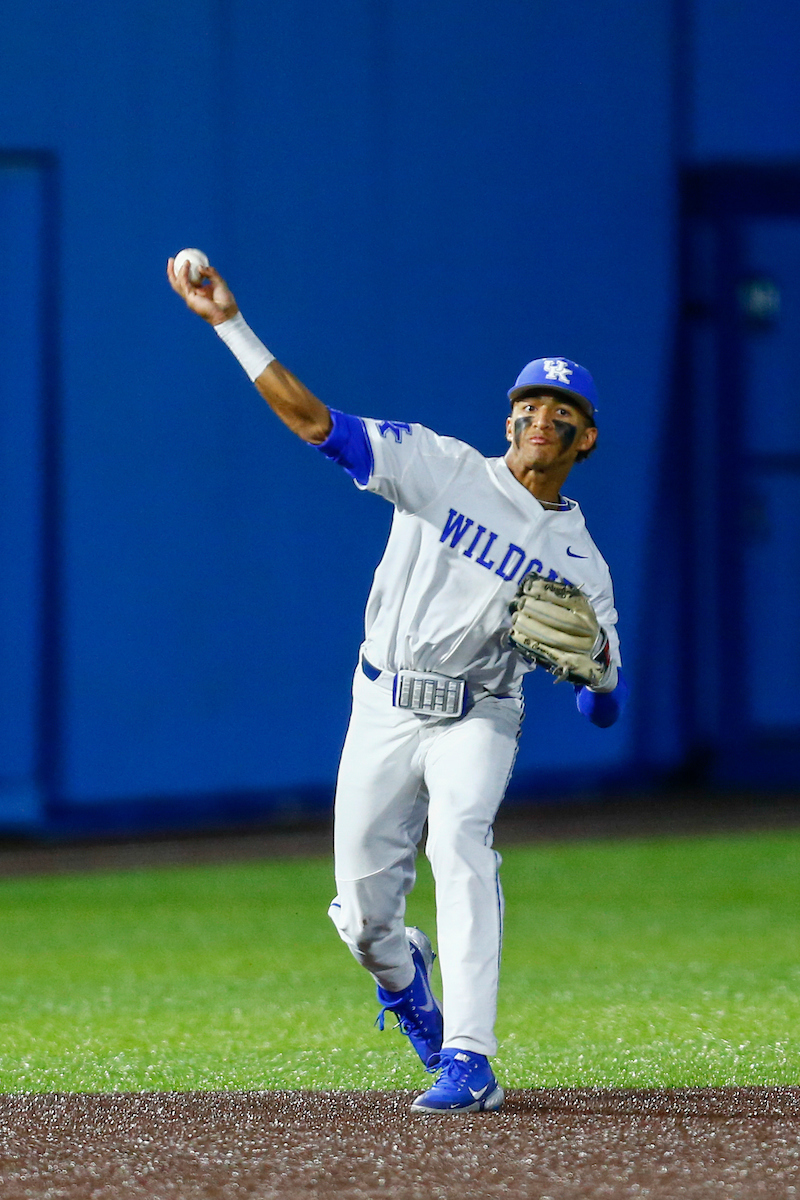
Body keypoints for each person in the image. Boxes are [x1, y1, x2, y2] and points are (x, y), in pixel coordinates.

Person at [167, 256, 628, 1114]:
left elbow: (604, 708)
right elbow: (316, 425)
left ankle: (470, 1057)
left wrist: (598, 674)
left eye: (562, 411)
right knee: (366, 920)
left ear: (585, 439)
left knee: (462, 842)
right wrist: (227, 323)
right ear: (510, 418)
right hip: (383, 703)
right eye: (529, 403)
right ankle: (406, 985)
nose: (541, 416)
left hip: (479, 717)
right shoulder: (440, 466)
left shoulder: (582, 561)